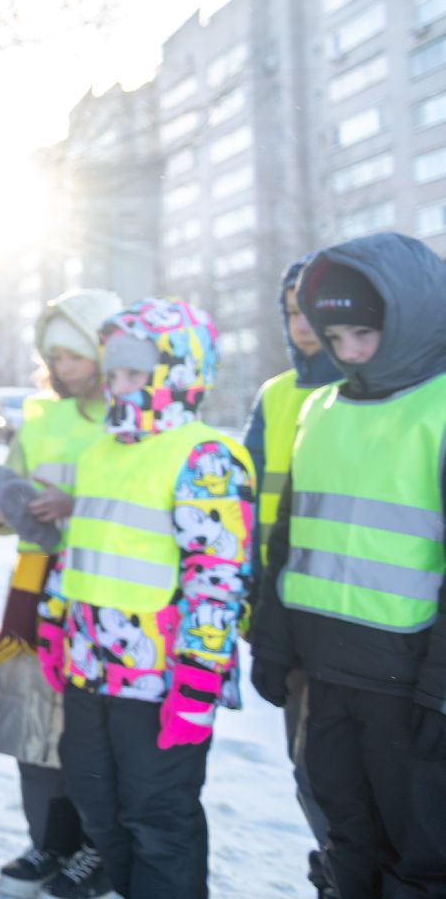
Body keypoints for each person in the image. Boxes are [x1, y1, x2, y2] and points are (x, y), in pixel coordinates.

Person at [251, 233, 446, 899]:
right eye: (336, 337)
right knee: (343, 834)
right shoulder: (319, 410)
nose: (349, 352)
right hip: (325, 674)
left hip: (410, 681)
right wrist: (272, 644)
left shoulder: (441, 409)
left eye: (364, 333)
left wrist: (440, 690)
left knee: (420, 851)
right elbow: (288, 541)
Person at [39, 298, 253, 899]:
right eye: (114, 373)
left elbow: (217, 579)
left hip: (159, 683)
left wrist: (198, 683)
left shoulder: (204, 455)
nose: (119, 386)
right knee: (97, 807)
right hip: (91, 670)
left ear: (177, 374)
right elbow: (74, 550)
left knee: (157, 823)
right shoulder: (101, 451)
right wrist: (55, 624)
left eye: (136, 373)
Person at [0, 288, 122, 899]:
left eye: (75, 355)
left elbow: (136, 503)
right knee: (31, 725)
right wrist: (0, 509)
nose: (63, 368)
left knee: (87, 732)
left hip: (102, 591)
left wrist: (75, 507)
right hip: (34, 588)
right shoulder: (37, 416)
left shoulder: (127, 416)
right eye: (53, 356)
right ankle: (48, 842)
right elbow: (0, 504)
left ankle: (96, 848)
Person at [239, 257, 341, 896]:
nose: (301, 324)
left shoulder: (377, 389)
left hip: (359, 610)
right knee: (309, 766)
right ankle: (333, 867)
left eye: (311, 310)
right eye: (291, 312)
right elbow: (245, 501)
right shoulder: (277, 395)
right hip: (286, 607)